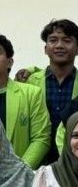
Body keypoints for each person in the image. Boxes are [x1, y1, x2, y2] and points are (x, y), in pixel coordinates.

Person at [18, 19, 78, 163]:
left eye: (67, 40)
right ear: (45, 48)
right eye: (53, 40)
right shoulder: (28, 82)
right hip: (34, 160)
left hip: (72, 161)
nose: (59, 45)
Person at [0, 34, 51, 169]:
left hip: (20, 173)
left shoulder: (31, 93)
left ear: (9, 62)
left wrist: (19, 171)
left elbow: (41, 138)